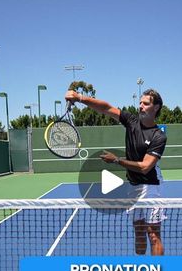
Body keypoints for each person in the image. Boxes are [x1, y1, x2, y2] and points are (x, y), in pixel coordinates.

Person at [65, 88, 167, 256]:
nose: (140, 106)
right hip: (133, 186)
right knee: (139, 232)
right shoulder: (131, 121)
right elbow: (106, 108)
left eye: (146, 103)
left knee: (153, 235)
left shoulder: (158, 136)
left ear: (156, 108)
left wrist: (117, 160)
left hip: (151, 187)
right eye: (140, 102)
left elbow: (145, 166)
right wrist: (80, 98)